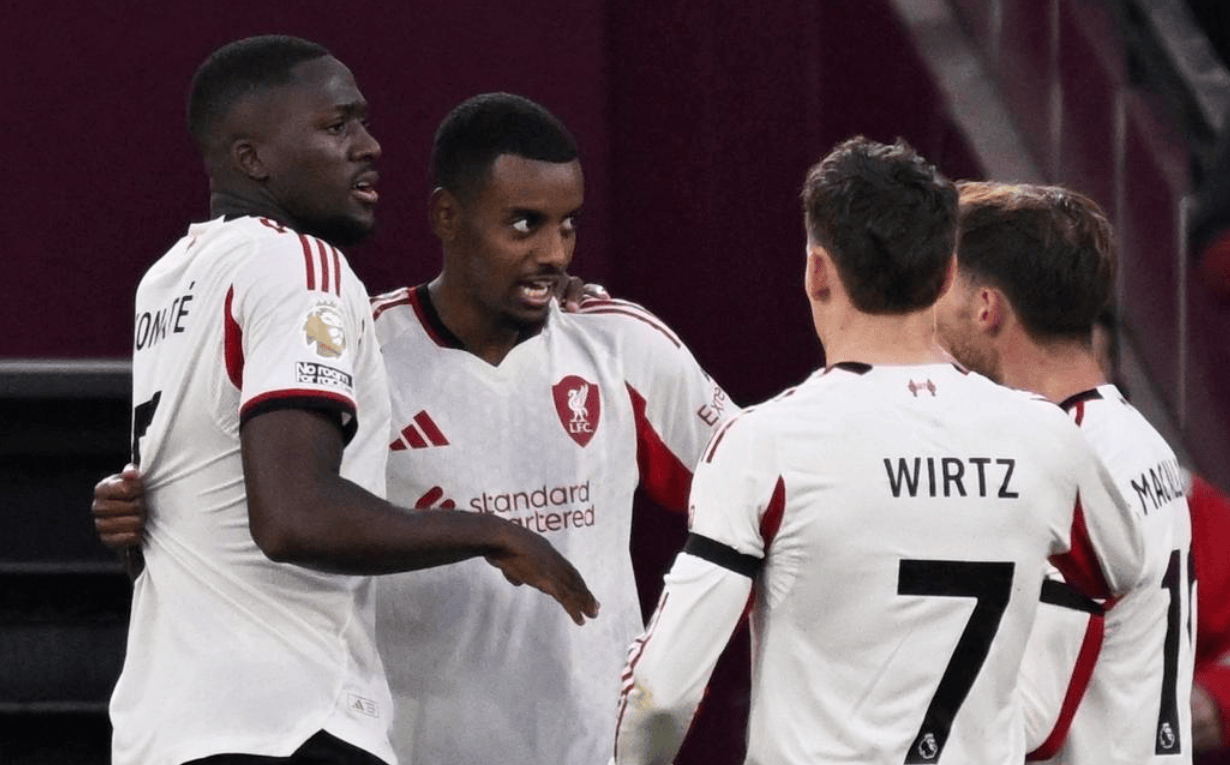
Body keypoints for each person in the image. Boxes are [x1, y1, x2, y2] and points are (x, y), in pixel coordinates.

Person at [95, 91, 734, 765]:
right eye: (524, 224)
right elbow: (257, 508)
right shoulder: (358, 348)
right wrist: (135, 509)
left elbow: (757, 503)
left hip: (592, 751)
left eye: (567, 225)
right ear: (447, 216)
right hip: (407, 746)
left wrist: (675, 673)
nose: (553, 252)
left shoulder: (622, 345)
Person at [611, 137, 1147, 765]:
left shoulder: (766, 445)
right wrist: (1028, 718)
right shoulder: (1046, 438)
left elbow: (659, 696)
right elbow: (1119, 571)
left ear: (816, 270)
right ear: (947, 274)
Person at [934, 181, 1193, 764]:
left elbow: (1030, 721)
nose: (931, 318)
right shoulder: (1132, 438)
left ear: (986, 307)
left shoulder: (1066, 464)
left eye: (942, 291)